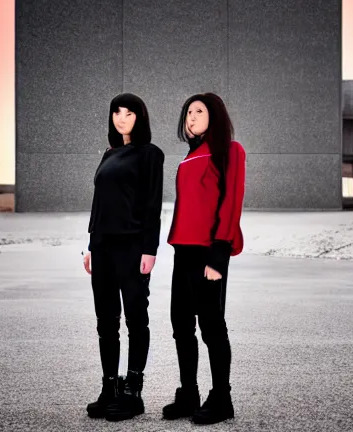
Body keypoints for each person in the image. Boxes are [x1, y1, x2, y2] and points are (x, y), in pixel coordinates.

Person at [163, 93, 246, 425]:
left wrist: (219, 254)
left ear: (215, 115)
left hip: (209, 252)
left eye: (199, 111)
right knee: (181, 326)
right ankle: (189, 394)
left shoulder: (229, 151)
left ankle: (221, 398)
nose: (192, 117)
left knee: (212, 327)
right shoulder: (189, 156)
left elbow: (231, 202)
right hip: (182, 251)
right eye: (188, 112)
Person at [82, 93, 164, 422]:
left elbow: (153, 204)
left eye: (128, 113)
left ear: (139, 118)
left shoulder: (150, 155)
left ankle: (133, 393)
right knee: (106, 322)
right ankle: (109, 389)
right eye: (117, 112)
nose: (121, 117)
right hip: (102, 246)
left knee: (135, 319)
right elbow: (99, 203)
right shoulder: (109, 154)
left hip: (132, 247)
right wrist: (91, 245)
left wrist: (150, 249)